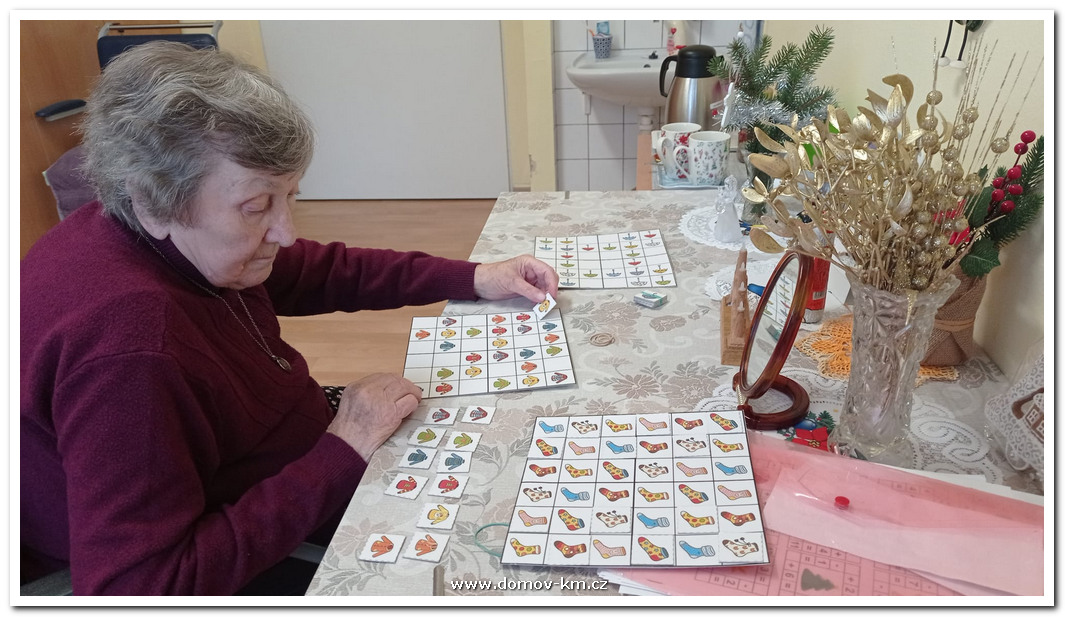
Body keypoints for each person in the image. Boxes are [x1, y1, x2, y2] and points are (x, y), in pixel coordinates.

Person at [20, 41, 559, 595]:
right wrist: (343, 449)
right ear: (152, 201)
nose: (285, 231)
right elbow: (138, 588)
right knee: (495, 561)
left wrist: (473, 277)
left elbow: (315, 269)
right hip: (229, 542)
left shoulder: (152, 230)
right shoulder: (129, 355)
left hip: (281, 454)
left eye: (290, 197)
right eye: (257, 207)